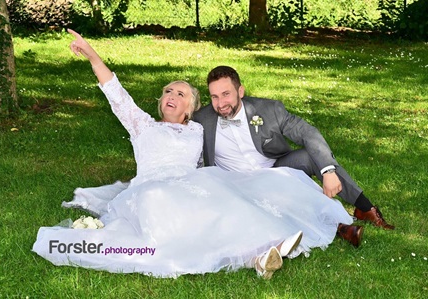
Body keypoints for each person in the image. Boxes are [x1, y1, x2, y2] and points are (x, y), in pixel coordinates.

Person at [32, 30, 356, 279]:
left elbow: (232, 121)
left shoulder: (197, 129)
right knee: (165, 199)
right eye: (168, 92)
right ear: (161, 103)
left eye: (181, 93)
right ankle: (256, 252)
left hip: (194, 185)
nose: (172, 95)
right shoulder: (141, 125)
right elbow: (115, 92)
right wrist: (92, 56)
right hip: (153, 189)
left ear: (191, 106)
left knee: (229, 201)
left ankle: (262, 254)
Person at [193, 65, 395, 232]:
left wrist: (328, 170)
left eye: (226, 94)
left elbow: (308, 133)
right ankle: (338, 227)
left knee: (311, 156)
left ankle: (365, 209)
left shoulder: (269, 110)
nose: (220, 103)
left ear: (241, 91)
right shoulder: (202, 120)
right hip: (237, 185)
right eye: (214, 97)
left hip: (275, 171)